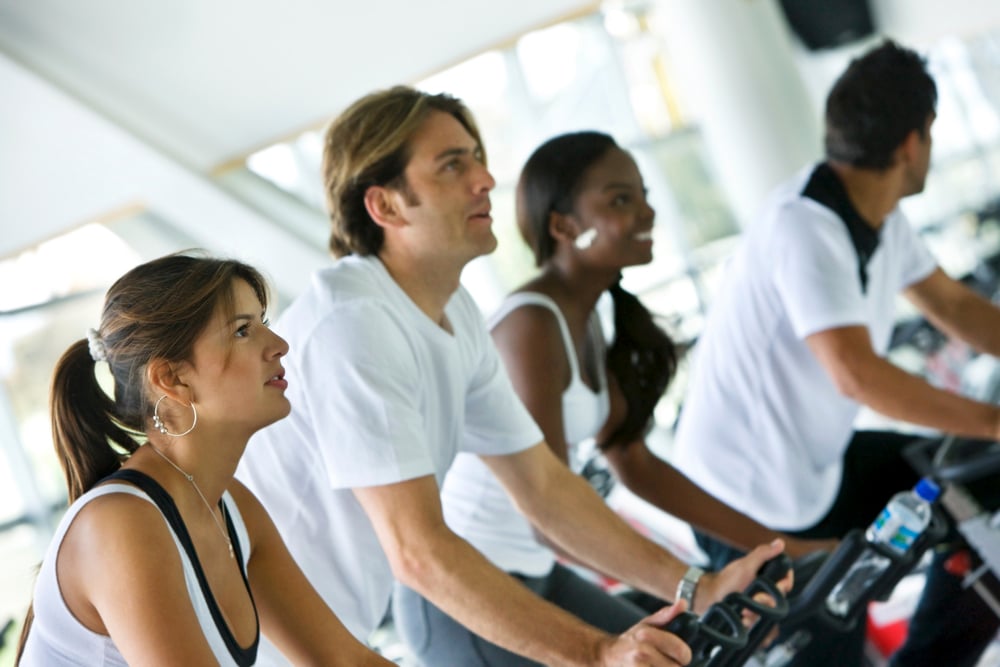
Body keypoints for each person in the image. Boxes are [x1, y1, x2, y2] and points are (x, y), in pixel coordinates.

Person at [237, 86, 790, 667]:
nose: (485, 179)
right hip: (270, 649)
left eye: (476, 156)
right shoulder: (354, 324)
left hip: (335, 629)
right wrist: (598, 653)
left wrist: (696, 588)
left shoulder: (456, 314)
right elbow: (416, 551)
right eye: (453, 165)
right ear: (387, 207)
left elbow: (544, 487)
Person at [393, 130, 831, 664]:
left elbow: (636, 464)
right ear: (563, 226)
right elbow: (546, 512)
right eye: (621, 200)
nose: (647, 212)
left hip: (533, 571)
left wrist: (776, 545)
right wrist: (695, 586)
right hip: (466, 600)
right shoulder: (531, 325)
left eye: (644, 195)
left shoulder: (588, 316)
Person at [673, 40, 1000, 667]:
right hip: (742, 500)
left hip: (816, 472)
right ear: (913, 141)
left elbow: (955, 308)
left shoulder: (882, 220)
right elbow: (856, 375)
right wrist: (991, 419)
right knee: (828, 646)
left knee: (981, 484)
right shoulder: (805, 226)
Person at [16, 253, 392, 666]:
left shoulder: (232, 504)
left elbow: (344, 660)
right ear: (172, 379)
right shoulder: (122, 526)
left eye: (263, 322)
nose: (280, 345)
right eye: (243, 330)